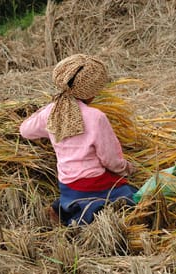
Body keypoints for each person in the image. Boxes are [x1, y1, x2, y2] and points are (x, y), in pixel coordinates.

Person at [20, 54, 137, 226]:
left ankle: (63, 207)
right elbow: (110, 159)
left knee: (80, 199)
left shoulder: (50, 113)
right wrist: (126, 168)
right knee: (131, 197)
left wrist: (48, 110)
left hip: (67, 185)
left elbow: (25, 130)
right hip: (93, 182)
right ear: (91, 92)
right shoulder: (96, 117)